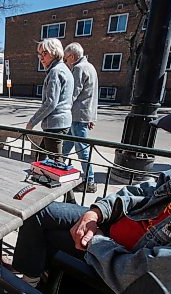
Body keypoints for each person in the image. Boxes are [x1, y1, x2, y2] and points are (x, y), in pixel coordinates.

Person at [0, 69, 171, 294]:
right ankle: (32, 280)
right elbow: (142, 190)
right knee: (37, 213)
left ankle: (34, 287)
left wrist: (95, 241)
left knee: (45, 237)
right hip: (111, 235)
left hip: (115, 273)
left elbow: (143, 281)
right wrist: (96, 212)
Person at [27, 38, 73, 161]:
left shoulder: (55, 71)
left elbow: (50, 103)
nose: (41, 58)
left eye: (45, 53)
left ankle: (53, 179)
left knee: (56, 162)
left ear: (54, 52)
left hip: (55, 125)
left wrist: (32, 122)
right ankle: (40, 176)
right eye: (40, 54)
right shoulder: (64, 69)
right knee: (40, 156)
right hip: (60, 123)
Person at [62, 42, 99, 193]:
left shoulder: (78, 68)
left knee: (82, 150)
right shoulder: (90, 67)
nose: (66, 62)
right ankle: (54, 169)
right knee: (65, 147)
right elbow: (93, 96)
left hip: (76, 116)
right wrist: (91, 117)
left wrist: (62, 110)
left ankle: (89, 181)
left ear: (73, 56)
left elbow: (72, 94)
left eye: (66, 59)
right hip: (82, 115)